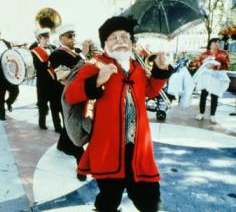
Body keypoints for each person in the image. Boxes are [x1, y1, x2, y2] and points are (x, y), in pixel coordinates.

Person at [65, 16, 172, 212]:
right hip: (108, 150)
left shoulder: (137, 68)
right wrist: (98, 80)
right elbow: (70, 95)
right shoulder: (93, 65)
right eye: (114, 37)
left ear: (131, 42)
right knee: (108, 201)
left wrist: (161, 70)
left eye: (125, 36)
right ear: (105, 43)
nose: (120, 41)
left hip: (139, 150)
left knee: (151, 202)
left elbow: (149, 91)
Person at [49, 24, 91, 181]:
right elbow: (64, 78)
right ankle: (81, 161)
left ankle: (63, 145)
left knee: (69, 127)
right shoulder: (56, 55)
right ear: (61, 38)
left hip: (80, 95)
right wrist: (85, 58)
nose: (74, 38)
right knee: (74, 127)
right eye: (69, 36)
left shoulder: (77, 53)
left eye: (74, 35)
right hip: (64, 96)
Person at [194, 37, 230, 124]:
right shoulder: (204, 54)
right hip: (206, 76)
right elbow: (197, 63)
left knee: (215, 95)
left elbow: (228, 65)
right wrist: (202, 64)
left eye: (218, 42)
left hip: (217, 76)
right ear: (210, 44)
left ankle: (212, 115)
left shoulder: (224, 53)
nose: (217, 44)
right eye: (215, 42)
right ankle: (201, 113)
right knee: (203, 95)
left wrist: (217, 66)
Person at [31, 28, 60, 131]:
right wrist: (49, 63)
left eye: (48, 37)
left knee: (55, 106)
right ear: (39, 38)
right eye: (44, 38)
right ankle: (42, 123)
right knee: (43, 105)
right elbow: (37, 66)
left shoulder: (53, 48)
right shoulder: (34, 51)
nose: (47, 39)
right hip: (43, 83)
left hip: (54, 82)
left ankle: (57, 126)